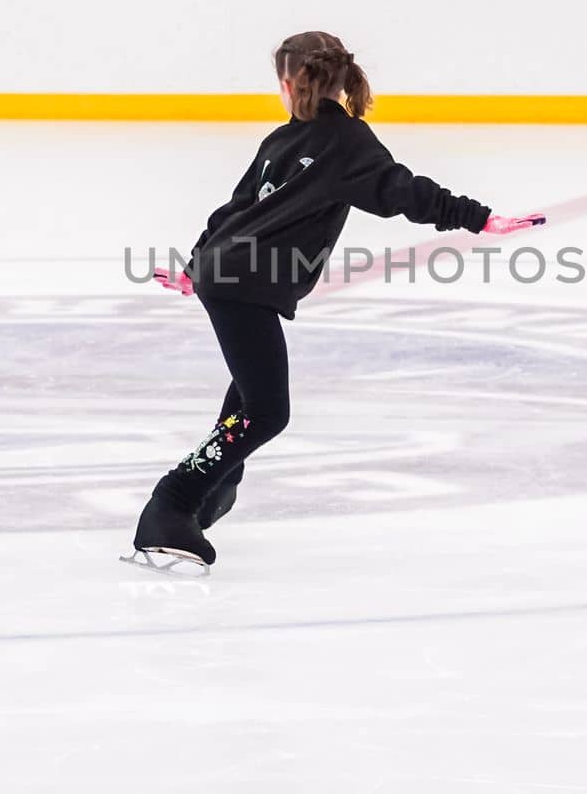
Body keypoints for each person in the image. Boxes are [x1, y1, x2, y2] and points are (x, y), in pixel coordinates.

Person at [126, 30, 544, 574]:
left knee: (249, 401)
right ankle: (173, 503)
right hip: (243, 285)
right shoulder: (345, 143)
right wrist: (478, 217)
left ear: (286, 83)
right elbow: (402, 190)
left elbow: (232, 212)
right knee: (267, 412)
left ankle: (211, 492)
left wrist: (196, 267)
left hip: (228, 277)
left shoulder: (286, 138)